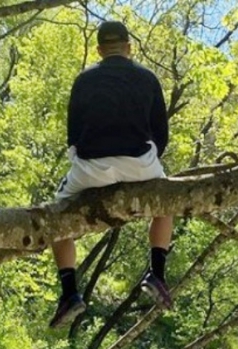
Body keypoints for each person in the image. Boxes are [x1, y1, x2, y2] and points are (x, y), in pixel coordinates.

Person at [49, 20, 174, 329]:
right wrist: (146, 164)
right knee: (166, 204)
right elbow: (161, 133)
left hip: (92, 167)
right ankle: (156, 274)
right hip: (139, 163)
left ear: (100, 50)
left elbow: (73, 134)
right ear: (129, 47)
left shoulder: (84, 80)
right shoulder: (147, 78)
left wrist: (86, 160)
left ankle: (70, 293)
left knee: (55, 219)